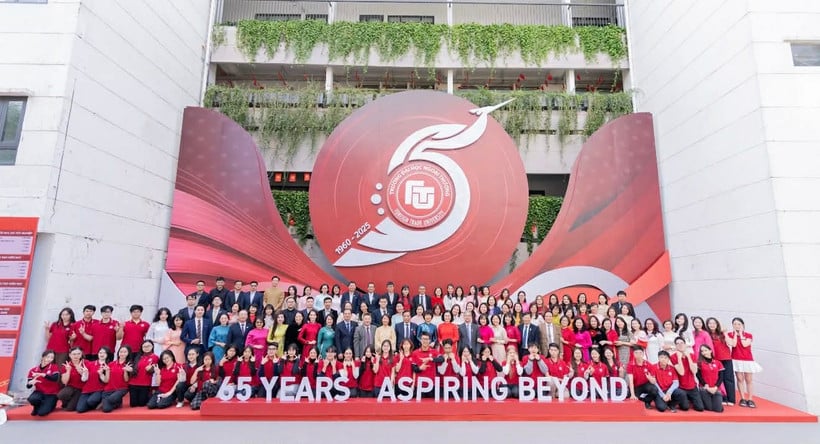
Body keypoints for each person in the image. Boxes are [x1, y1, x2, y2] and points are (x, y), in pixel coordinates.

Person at [727, 317, 762, 408]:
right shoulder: (730, 334)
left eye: (739, 324)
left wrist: (741, 335)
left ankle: (750, 399)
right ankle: (743, 398)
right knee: (739, 379)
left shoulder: (748, 335)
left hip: (747, 359)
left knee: (749, 379)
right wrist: (735, 335)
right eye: (734, 324)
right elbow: (733, 344)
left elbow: (745, 344)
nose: (737, 326)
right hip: (736, 359)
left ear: (743, 325)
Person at [706, 317, 735, 405]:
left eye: (714, 323)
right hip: (715, 360)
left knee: (728, 378)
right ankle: (722, 397)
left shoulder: (722, 334)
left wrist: (725, 332)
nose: (712, 325)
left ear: (717, 324)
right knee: (718, 380)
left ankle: (731, 399)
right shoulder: (707, 334)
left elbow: (731, 343)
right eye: (710, 323)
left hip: (726, 358)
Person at [627, 346, 665, 411]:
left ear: (643, 354)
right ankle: (640, 399)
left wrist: (650, 379)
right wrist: (632, 395)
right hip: (636, 386)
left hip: (645, 385)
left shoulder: (648, 365)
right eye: (636, 353)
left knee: (654, 390)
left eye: (640, 353)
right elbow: (630, 381)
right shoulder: (630, 364)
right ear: (633, 354)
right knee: (631, 400)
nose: (638, 355)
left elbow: (654, 382)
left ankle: (647, 401)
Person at [26, 350, 61, 417]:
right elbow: (28, 386)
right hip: (39, 392)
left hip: (51, 393)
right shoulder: (33, 370)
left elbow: (55, 378)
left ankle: (50, 405)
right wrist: (30, 383)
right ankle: (36, 406)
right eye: (48, 357)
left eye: (52, 357)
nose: (49, 359)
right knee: (32, 399)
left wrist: (43, 375)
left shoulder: (54, 367)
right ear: (42, 357)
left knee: (42, 413)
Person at [76, 347, 111, 413]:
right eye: (100, 352)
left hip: (99, 390)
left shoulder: (109, 365)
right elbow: (84, 379)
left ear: (107, 354)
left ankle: (99, 402)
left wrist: (101, 374)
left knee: (91, 401)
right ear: (97, 354)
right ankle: (92, 405)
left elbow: (106, 381)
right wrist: (85, 372)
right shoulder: (90, 364)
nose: (102, 354)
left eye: (104, 353)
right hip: (87, 390)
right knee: (80, 409)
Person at [100, 346, 132, 413]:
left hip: (121, 388)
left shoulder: (129, 364)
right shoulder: (111, 364)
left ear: (128, 353)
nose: (122, 353)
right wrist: (104, 372)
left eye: (125, 352)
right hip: (109, 388)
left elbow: (126, 380)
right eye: (121, 352)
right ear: (118, 353)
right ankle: (117, 403)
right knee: (106, 409)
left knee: (111, 399)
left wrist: (125, 371)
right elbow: (107, 379)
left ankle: (111, 401)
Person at [129, 340, 159, 408]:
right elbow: (132, 369)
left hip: (145, 384)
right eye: (144, 346)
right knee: (133, 404)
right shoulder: (138, 356)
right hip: (133, 383)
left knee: (142, 404)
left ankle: (152, 396)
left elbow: (155, 369)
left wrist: (151, 369)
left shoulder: (155, 357)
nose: (146, 347)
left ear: (152, 346)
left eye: (148, 346)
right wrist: (130, 370)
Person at [697, 344, 725, 413]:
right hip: (705, 388)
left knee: (718, 409)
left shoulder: (718, 363)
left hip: (715, 388)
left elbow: (721, 377)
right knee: (709, 408)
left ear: (710, 351)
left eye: (705, 350)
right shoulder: (700, 363)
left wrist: (716, 387)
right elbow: (699, 376)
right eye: (702, 351)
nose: (704, 352)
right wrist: (705, 385)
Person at [57, 347, 86, 411]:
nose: (76, 356)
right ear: (70, 355)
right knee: (61, 395)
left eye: (78, 354)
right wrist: (68, 371)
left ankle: (72, 402)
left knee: (70, 408)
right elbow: (64, 382)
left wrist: (81, 371)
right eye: (74, 354)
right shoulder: (67, 365)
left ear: (81, 354)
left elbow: (88, 378)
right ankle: (66, 402)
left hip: (81, 389)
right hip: (71, 387)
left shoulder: (86, 363)